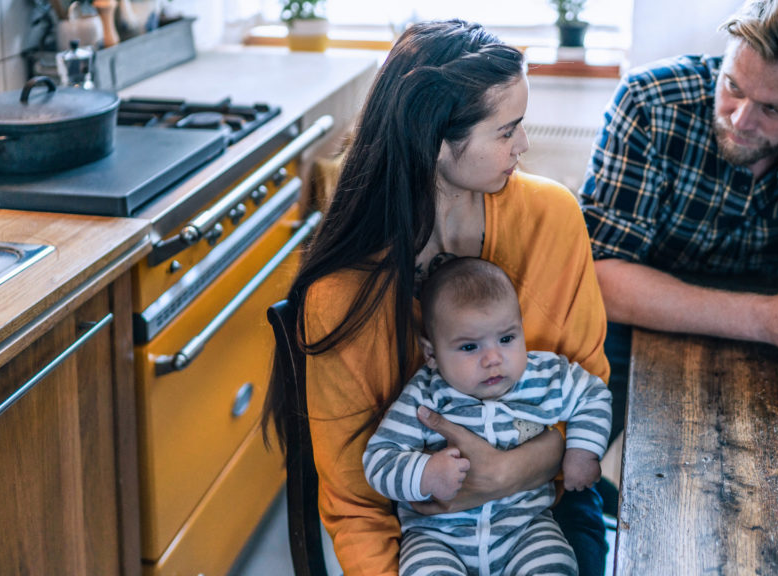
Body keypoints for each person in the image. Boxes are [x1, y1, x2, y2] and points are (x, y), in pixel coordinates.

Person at [262, 20, 612, 576]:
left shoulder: (553, 218)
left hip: (545, 512)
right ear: (436, 141)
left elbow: (590, 394)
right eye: (506, 131)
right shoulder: (339, 297)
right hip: (421, 537)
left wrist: (503, 474)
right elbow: (357, 503)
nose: (524, 144)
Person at [580, 0, 778, 404]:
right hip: (640, 320)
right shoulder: (650, 102)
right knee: (570, 452)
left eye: (773, 108)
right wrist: (763, 318)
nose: (741, 120)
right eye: (733, 86)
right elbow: (600, 279)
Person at [364, 257, 612, 576]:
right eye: (469, 347)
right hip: (438, 538)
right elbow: (378, 460)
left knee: (555, 564)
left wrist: (582, 451)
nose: (493, 359)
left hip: (524, 528)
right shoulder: (425, 396)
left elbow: (592, 394)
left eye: (506, 339)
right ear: (432, 353)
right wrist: (425, 473)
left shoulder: (542, 376)